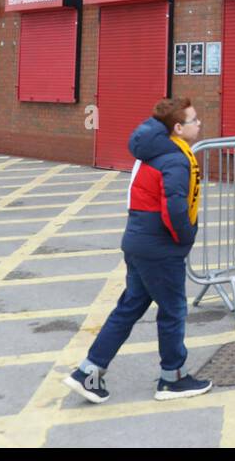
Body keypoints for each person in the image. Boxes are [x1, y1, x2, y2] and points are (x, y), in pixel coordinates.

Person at [63, 98, 211, 403]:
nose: (200, 125)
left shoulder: (154, 151)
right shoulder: (175, 159)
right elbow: (175, 208)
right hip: (159, 249)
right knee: (173, 311)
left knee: (129, 308)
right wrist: (186, 239)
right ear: (179, 128)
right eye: (194, 120)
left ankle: (88, 373)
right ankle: (173, 379)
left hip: (139, 243)